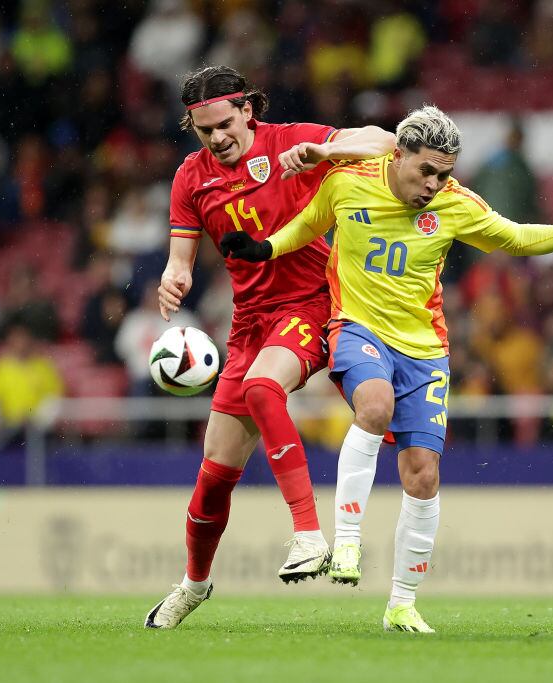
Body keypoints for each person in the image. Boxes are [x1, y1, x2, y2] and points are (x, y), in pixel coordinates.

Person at [224, 105, 553, 632]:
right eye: (426, 171)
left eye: (444, 173)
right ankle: (347, 543)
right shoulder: (348, 182)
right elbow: (308, 225)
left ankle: (402, 605)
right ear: (399, 155)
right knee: (374, 405)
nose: (434, 184)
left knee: (423, 475)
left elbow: (513, 237)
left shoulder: (456, 205)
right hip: (357, 327)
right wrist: (264, 248)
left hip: (424, 349)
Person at [145, 66, 395, 629]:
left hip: (312, 303)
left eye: (225, 125)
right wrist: (173, 277)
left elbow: (386, 143)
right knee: (213, 476)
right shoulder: (190, 178)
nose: (217, 138)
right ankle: (194, 584)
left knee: (263, 388)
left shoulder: (291, 141)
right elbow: (180, 259)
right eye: (205, 130)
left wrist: (325, 152)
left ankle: (308, 533)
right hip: (249, 325)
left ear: (248, 111)